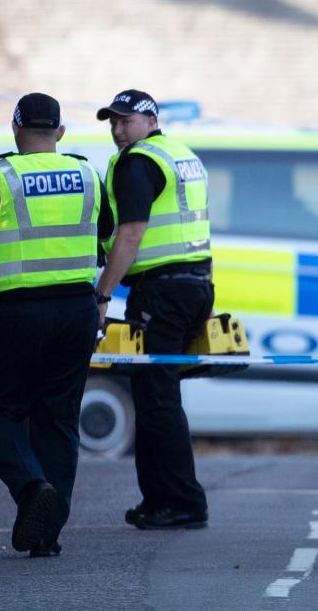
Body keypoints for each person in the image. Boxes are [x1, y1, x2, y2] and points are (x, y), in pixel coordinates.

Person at [0, 92, 112, 558]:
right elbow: (105, 233)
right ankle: (47, 534)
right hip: (77, 312)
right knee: (59, 420)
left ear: (16, 130)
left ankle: (31, 487)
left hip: (17, 316)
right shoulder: (87, 174)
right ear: (59, 133)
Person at [93, 89, 212, 529]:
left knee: (157, 397)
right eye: (113, 123)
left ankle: (181, 501)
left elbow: (130, 236)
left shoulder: (139, 162)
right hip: (193, 284)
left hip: (162, 290)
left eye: (126, 121)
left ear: (150, 120)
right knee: (155, 392)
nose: (118, 131)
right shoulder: (181, 154)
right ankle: (160, 499)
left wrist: (102, 295)